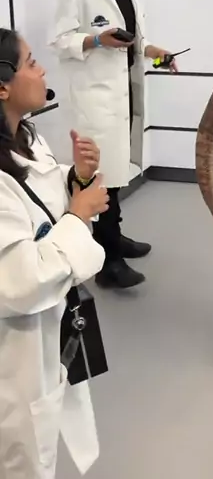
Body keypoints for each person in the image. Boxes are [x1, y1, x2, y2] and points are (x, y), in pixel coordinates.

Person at [0, 27, 109, 478]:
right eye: (30, 62)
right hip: (16, 348)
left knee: (43, 438)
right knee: (22, 455)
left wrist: (76, 177)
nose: (42, 69)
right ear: (2, 86)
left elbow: (43, 192)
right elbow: (20, 282)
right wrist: (78, 215)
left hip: (51, 327)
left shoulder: (26, 138)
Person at [50, 0, 177, 290]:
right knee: (102, 176)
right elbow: (60, 40)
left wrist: (158, 54)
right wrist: (96, 40)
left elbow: (135, 39)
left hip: (125, 91)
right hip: (96, 98)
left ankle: (115, 238)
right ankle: (108, 263)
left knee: (117, 174)